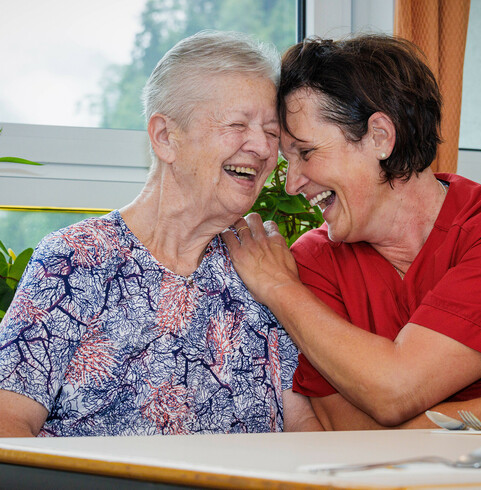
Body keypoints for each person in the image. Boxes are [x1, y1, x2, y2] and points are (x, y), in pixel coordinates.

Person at [222, 34, 481, 430]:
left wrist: (278, 288)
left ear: (380, 137)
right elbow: (353, 438)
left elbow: (394, 392)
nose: (292, 184)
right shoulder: (315, 260)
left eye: (306, 153)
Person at [0, 31, 320, 437]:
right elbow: (7, 424)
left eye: (272, 133)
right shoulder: (75, 260)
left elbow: (304, 426)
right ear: (165, 137)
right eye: (237, 124)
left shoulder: (261, 264)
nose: (260, 147)